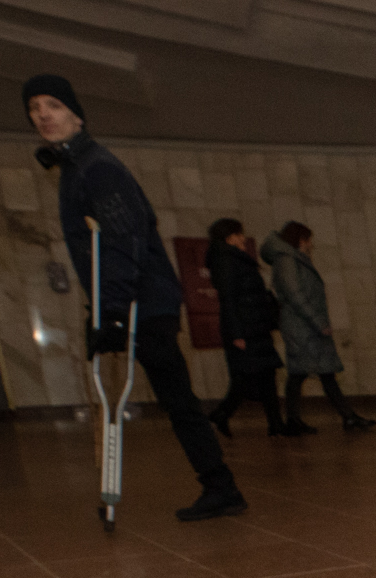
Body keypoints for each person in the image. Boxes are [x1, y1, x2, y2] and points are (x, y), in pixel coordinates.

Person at [24, 73, 241, 520]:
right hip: (132, 300)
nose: (43, 114)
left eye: (53, 105)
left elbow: (123, 241)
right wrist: (104, 309)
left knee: (177, 398)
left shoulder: (97, 168)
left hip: (145, 303)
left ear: (76, 114)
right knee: (175, 397)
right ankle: (220, 485)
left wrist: (116, 311)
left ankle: (221, 486)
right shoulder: (75, 167)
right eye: (35, 108)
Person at [263, 221, 373, 432]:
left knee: (321, 371)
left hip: (304, 324)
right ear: (301, 240)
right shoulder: (287, 260)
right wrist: (318, 322)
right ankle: (298, 419)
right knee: (302, 372)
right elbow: (295, 295)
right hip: (301, 325)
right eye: (309, 240)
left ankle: (344, 416)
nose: (311, 245)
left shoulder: (291, 259)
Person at [201, 218, 287, 439]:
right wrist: (237, 333)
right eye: (239, 234)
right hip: (245, 328)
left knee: (265, 375)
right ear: (229, 237)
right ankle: (222, 413)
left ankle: (275, 424)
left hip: (254, 326)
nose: (243, 238)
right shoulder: (227, 261)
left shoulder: (233, 259)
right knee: (245, 378)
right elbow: (228, 299)